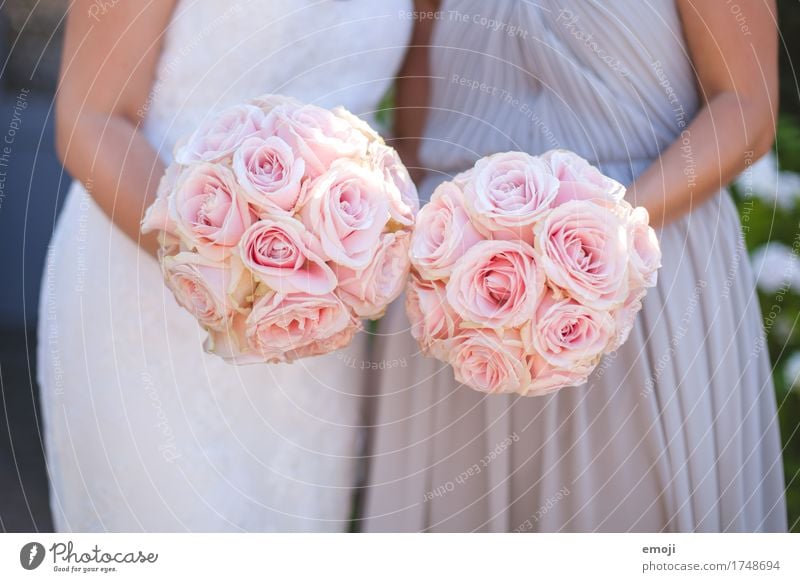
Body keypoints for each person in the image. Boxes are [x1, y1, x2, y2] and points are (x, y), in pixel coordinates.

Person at [363, 0, 787, 532]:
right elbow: (417, 127)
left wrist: (609, 226)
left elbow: (746, 106)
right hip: (457, 291)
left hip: (641, 268)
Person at [39, 0, 413, 532]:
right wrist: (234, 270)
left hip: (314, 330)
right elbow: (90, 117)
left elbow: (412, 138)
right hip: (148, 289)